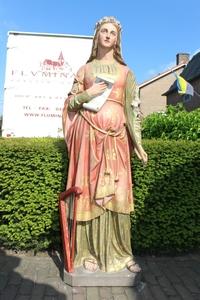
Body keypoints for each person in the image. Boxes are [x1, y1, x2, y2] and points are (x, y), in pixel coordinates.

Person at [62, 16, 148, 273]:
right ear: (97, 36)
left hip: (117, 140)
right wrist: (87, 94)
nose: (108, 35)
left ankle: (122, 253)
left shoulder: (126, 72)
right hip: (88, 138)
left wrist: (139, 144)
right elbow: (70, 103)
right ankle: (86, 252)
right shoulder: (84, 70)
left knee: (118, 194)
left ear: (117, 40)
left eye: (113, 32)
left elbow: (134, 111)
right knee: (88, 193)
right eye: (104, 31)